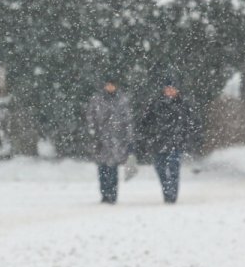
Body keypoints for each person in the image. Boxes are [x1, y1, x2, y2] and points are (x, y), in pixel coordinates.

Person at [138, 74, 196, 204]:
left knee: (173, 170)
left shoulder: (183, 105)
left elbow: (191, 124)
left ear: (177, 90)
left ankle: (172, 195)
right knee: (160, 169)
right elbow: (145, 122)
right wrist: (148, 137)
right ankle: (167, 191)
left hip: (176, 143)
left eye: (172, 88)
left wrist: (186, 138)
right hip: (158, 143)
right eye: (167, 88)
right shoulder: (156, 104)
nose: (169, 91)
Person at [84, 76, 133, 204]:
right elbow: (91, 117)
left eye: (112, 85)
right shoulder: (97, 100)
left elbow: (127, 121)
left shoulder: (122, 100)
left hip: (117, 141)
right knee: (102, 169)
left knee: (112, 169)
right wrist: (93, 133)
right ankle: (104, 194)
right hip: (100, 141)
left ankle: (112, 194)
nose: (110, 87)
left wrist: (128, 138)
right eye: (108, 85)